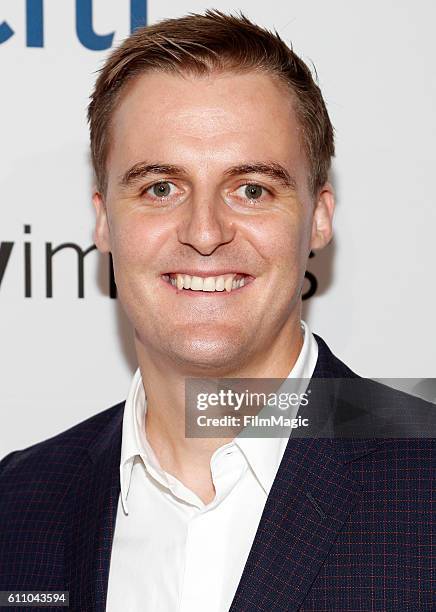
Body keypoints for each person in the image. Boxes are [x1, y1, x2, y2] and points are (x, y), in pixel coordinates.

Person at [0, 10, 434, 612]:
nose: (205, 233)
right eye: (160, 188)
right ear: (103, 219)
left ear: (320, 216)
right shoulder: (17, 502)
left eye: (252, 188)